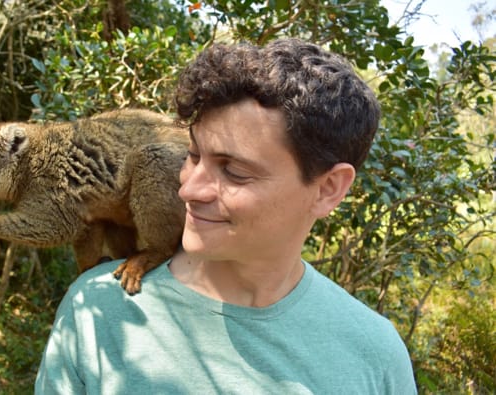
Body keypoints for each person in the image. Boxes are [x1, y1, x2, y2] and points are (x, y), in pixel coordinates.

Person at [35, 38, 417, 394]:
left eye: (234, 172)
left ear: (328, 188)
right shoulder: (98, 309)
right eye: (193, 156)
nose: (188, 189)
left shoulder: (375, 355)